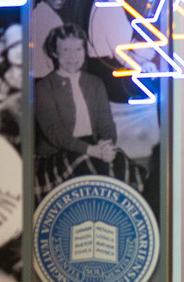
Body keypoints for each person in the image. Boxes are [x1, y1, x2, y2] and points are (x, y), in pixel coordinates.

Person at [34, 24, 121, 192]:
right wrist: (91, 151)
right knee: (92, 171)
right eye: (66, 50)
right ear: (54, 52)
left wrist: (107, 145)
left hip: (95, 147)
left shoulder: (95, 83)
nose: (73, 56)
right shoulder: (43, 88)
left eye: (78, 49)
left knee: (121, 168)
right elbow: (55, 133)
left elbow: (106, 123)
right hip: (58, 152)